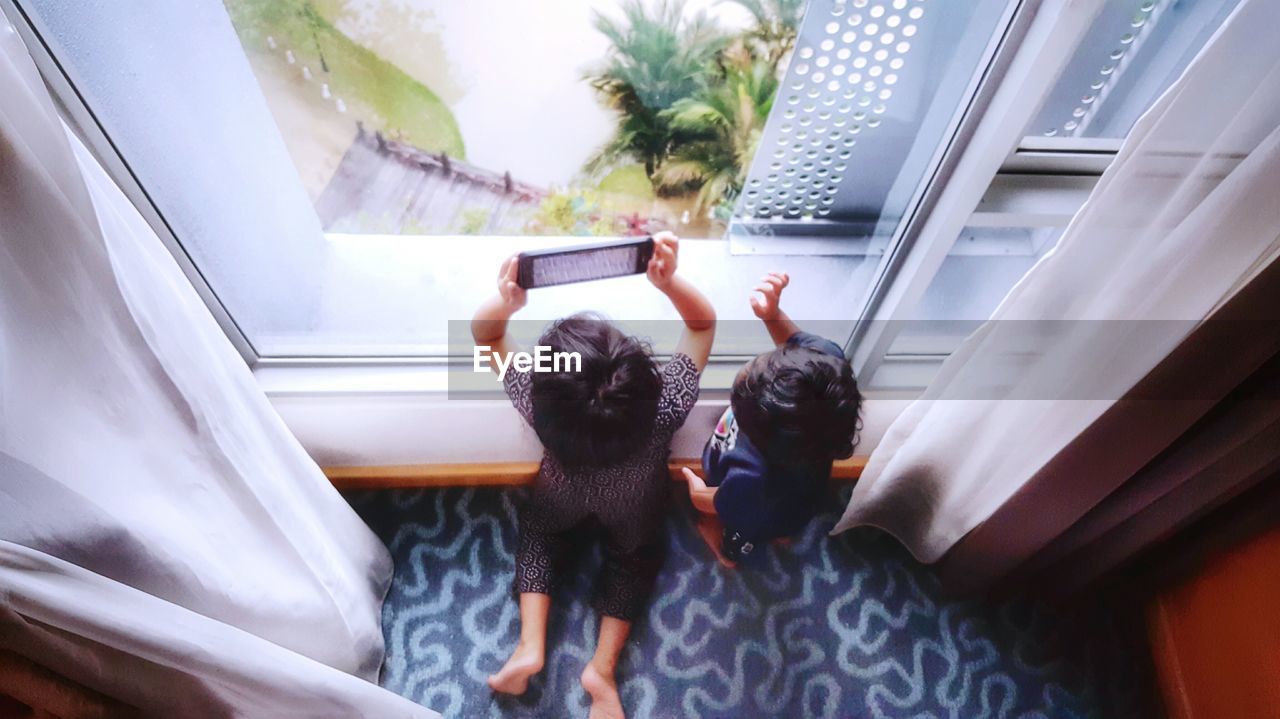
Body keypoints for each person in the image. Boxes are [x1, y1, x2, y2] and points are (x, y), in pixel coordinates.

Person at [472, 233, 714, 719]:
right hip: (636, 502)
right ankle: (600, 670)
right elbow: (702, 325)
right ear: (643, 380)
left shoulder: (536, 405)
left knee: (539, 536)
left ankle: (529, 646)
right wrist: (668, 283)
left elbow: (486, 338)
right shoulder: (664, 408)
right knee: (635, 559)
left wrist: (506, 301)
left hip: (561, 492)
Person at [683, 272, 862, 568]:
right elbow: (795, 342)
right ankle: (783, 530)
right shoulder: (825, 364)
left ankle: (729, 552)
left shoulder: (754, 478)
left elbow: (719, 500)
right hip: (798, 496)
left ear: (758, 436)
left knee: (743, 528)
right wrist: (772, 315)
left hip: (751, 505)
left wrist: (697, 492)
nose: (753, 364)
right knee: (783, 516)